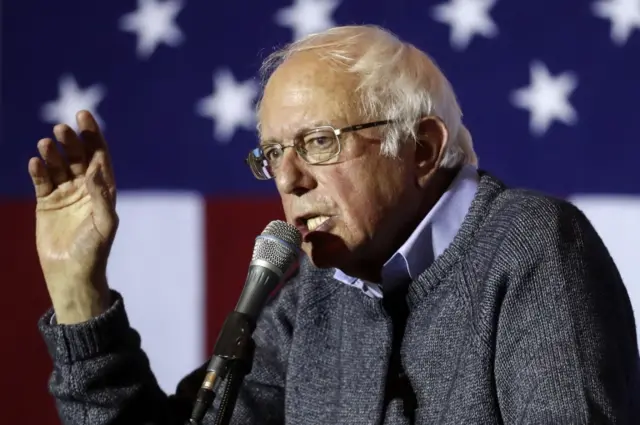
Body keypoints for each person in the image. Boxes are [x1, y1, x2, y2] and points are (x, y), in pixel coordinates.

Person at [32, 25, 639, 424]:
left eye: (318, 142)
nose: (287, 179)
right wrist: (78, 291)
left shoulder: (531, 246)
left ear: (422, 149)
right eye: (272, 154)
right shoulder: (311, 300)